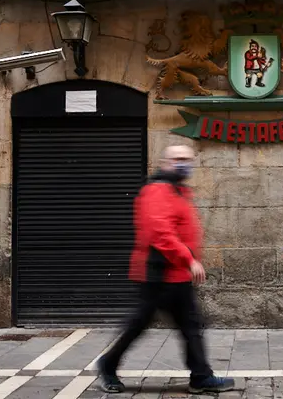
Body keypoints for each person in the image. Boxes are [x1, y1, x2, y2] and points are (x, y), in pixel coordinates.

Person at [97, 145, 235, 394]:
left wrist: (188, 261)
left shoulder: (178, 190)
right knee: (142, 324)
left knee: (190, 324)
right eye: (178, 159)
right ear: (165, 162)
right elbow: (160, 233)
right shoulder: (157, 191)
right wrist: (189, 259)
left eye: (188, 159)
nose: (184, 164)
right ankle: (108, 364)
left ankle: (201, 376)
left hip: (175, 273)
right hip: (157, 273)